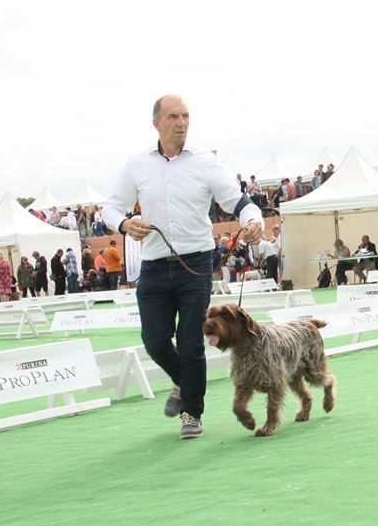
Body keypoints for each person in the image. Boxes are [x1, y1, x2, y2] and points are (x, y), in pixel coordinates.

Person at [102, 94, 264, 440]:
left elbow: (239, 201)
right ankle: (182, 380)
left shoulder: (206, 162)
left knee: (191, 341)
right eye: (174, 116)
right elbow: (110, 208)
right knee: (155, 341)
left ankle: (192, 411)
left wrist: (253, 221)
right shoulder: (137, 165)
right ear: (157, 123)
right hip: (154, 266)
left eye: (186, 116)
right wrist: (124, 224)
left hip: (197, 263)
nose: (182, 122)